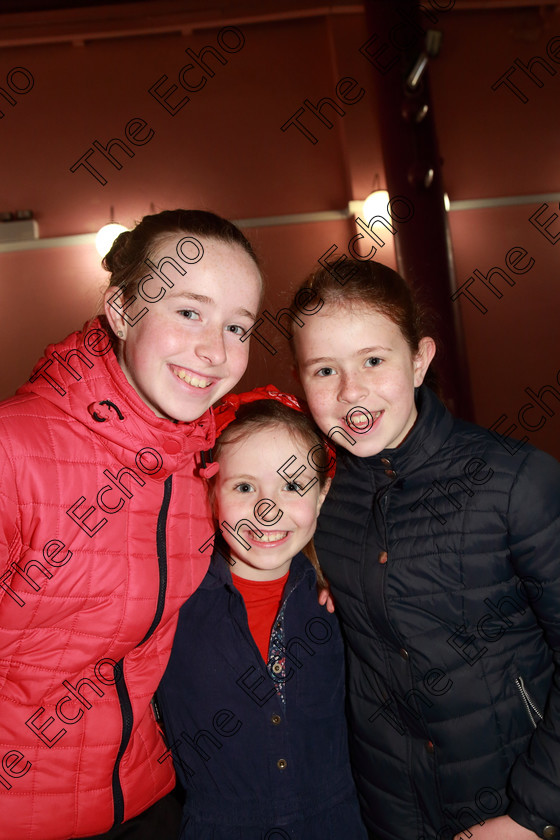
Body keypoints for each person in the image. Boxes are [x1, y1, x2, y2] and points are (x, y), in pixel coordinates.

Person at [0, 209, 262, 840]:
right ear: (120, 309)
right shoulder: (14, 448)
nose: (216, 351)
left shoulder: (209, 455)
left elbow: (301, 476)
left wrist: (321, 562)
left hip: (150, 799)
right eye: (189, 312)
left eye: (238, 326)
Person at [288, 258, 560, 840]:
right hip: (392, 812)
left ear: (419, 359)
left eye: (374, 360)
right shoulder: (318, 503)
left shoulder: (516, 482)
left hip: (518, 806)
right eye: (324, 370)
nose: (350, 391)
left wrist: (533, 813)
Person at [156, 386, 368, 840]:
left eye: (292, 485)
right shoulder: (170, 601)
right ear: (211, 492)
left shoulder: (343, 598)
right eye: (245, 486)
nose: (266, 509)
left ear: (323, 493)